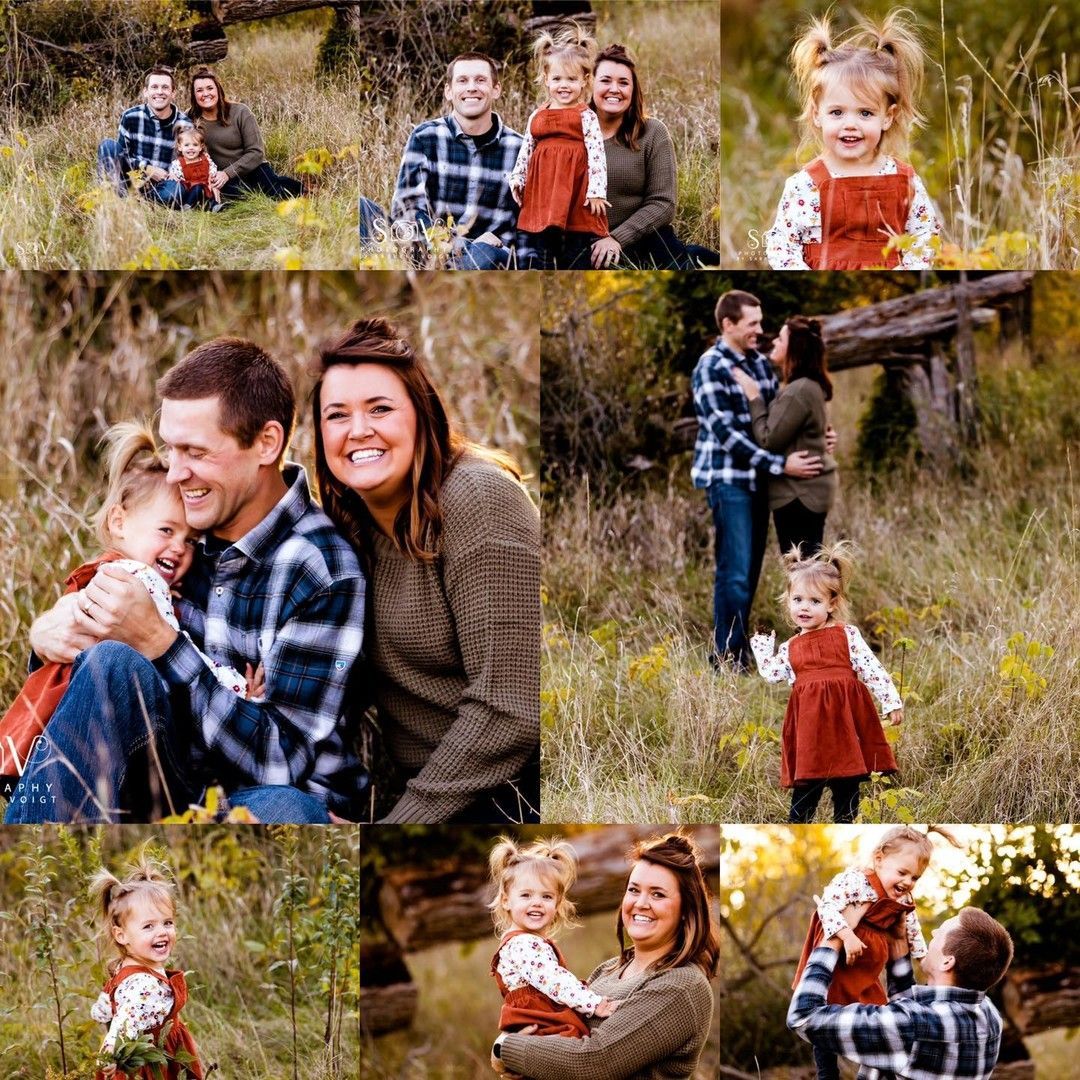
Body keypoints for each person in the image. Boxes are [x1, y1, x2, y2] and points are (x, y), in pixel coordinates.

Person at [3, 339, 366, 825]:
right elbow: (99, 660)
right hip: (159, 771)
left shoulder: (320, 567)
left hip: (254, 795)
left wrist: (159, 641)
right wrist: (48, 635)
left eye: (195, 451)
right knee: (111, 663)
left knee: (289, 810)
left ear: (266, 443)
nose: (176, 472)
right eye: (172, 449)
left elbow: (281, 762)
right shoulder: (182, 522)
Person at [311, 318, 539, 823]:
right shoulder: (347, 524)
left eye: (380, 409)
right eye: (337, 415)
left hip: (507, 797)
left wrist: (400, 823)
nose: (358, 431)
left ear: (421, 414)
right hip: (427, 794)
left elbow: (511, 709)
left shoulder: (478, 499)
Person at [0, 422, 258, 785]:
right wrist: (237, 687)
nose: (178, 548)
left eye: (190, 540)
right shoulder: (135, 583)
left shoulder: (106, 573)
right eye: (166, 531)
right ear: (119, 522)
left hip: (54, 734)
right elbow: (174, 653)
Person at [491, 832, 719, 1079]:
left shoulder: (682, 985)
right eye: (634, 890)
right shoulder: (608, 970)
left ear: (686, 909)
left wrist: (505, 1048)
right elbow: (560, 1040)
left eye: (658, 894)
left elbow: (595, 1061)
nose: (641, 903)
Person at [692, 290, 824, 673]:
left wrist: (818, 438)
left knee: (748, 571)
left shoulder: (760, 365)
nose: (760, 330)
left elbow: (776, 424)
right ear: (728, 324)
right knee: (733, 571)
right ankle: (726, 658)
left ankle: (739, 651)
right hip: (729, 480)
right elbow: (728, 436)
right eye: (752, 324)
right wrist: (781, 465)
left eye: (762, 323)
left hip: (760, 481)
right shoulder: (711, 366)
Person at [765, 8, 939, 269]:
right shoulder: (805, 186)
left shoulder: (906, 181)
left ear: (888, 117)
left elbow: (925, 240)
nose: (850, 125)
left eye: (865, 113)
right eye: (836, 112)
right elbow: (782, 247)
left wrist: (906, 269)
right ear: (817, 114)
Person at [749, 542, 904, 823]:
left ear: (832, 604)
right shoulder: (791, 646)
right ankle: (798, 825)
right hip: (810, 730)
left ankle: (845, 822)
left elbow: (872, 668)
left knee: (846, 783)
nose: (804, 608)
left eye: (815, 601)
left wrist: (890, 700)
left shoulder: (847, 635)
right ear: (788, 600)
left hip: (845, 724)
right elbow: (772, 674)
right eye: (797, 600)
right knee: (807, 786)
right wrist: (762, 649)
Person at [791, 828, 958, 1080]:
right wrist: (847, 935)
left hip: (868, 966)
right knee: (824, 1008)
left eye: (915, 878)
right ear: (879, 859)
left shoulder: (903, 897)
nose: (907, 882)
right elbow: (826, 907)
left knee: (879, 1014)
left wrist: (922, 957)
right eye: (902, 872)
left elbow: (911, 929)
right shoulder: (856, 881)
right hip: (841, 958)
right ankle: (827, 1073)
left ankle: (879, 1068)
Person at [789, 904, 1014, 1080]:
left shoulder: (912, 1026)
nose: (934, 931)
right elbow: (915, 1034)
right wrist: (898, 946)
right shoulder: (989, 1016)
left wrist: (833, 939)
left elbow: (804, 1017)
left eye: (941, 931)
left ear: (947, 961)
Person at [360, 53, 527, 270]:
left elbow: (526, 226)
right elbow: (407, 210)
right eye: (462, 80)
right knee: (361, 208)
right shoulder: (425, 137)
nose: (471, 88)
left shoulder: (519, 148)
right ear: (449, 91)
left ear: (496, 89)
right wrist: (457, 244)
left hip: (485, 259)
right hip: (425, 249)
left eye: (480, 80)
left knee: (485, 253)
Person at [588, 44, 718, 269]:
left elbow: (663, 203)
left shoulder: (653, 132)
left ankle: (695, 257)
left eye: (623, 82)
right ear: (590, 84)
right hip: (588, 245)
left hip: (646, 239)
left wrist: (617, 238)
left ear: (633, 89)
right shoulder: (571, 134)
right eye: (606, 80)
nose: (614, 89)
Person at [488, 836, 620, 1039]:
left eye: (546, 896)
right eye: (526, 895)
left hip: (539, 1019)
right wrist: (593, 1004)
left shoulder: (524, 941)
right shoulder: (524, 944)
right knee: (576, 1043)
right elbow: (553, 980)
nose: (537, 903)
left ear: (557, 904)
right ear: (506, 901)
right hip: (541, 1022)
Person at [89, 849, 205, 1080]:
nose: (162, 932)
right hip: (152, 1065)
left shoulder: (127, 966)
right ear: (121, 935)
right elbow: (124, 1021)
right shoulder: (143, 982)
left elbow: (109, 1006)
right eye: (148, 926)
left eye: (167, 922)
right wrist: (110, 1054)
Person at [731, 316, 837, 557]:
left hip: (798, 495)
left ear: (794, 349)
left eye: (780, 339)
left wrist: (754, 397)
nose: (774, 343)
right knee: (809, 567)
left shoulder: (798, 390)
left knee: (802, 570)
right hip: (809, 492)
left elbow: (768, 439)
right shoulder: (807, 386)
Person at [509, 25, 608, 269]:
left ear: (585, 81)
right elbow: (526, 150)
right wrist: (518, 178)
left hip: (575, 190)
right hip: (544, 190)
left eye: (572, 79)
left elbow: (597, 155)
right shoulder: (537, 115)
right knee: (544, 242)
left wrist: (596, 192)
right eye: (557, 79)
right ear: (545, 79)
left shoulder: (586, 116)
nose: (564, 85)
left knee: (575, 243)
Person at [186, 68, 303, 201]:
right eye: (199, 90)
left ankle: (303, 190)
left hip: (252, 169)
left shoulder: (240, 112)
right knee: (243, 198)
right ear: (194, 95)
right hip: (222, 179)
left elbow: (256, 152)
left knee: (276, 195)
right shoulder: (189, 119)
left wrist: (227, 173)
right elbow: (180, 150)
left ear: (218, 90)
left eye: (210, 88)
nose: (206, 94)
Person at [97, 66, 188, 206]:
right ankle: (118, 194)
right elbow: (122, 156)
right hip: (132, 178)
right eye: (154, 87)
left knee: (176, 192)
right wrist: (147, 168)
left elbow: (187, 161)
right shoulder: (130, 116)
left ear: (173, 93)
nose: (159, 92)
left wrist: (172, 174)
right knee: (108, 146)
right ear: (146, 92)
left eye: (165, 87)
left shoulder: (184, 125)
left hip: (162, 185)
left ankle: (140, 201)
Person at [168, 126, 223, 211]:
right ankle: (187, 206)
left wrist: (212, 176)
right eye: (186, 145)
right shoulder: (178, 163)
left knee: (205, 191)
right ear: (180, 147)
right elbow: (175, 176)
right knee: (198, 188)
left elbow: (212, 168)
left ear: (201, 147)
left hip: (206, 189)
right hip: (189, 191)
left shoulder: (205, 159)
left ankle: (213, 206)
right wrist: (173, 175)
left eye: (195, 145)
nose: (191, 148)